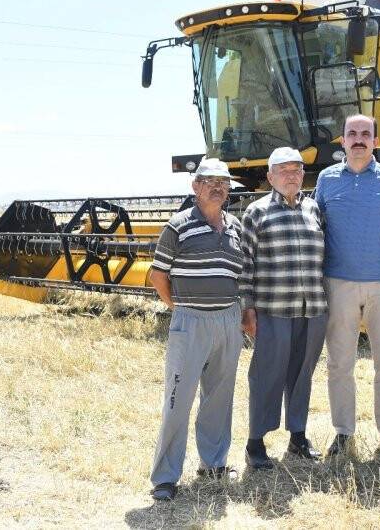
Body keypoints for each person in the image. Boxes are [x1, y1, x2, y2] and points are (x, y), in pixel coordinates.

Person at [314, 114, 380, 456]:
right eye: (352, 133)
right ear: (341, 140)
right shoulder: (326, 180)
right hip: (338, 282)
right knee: (340, 362)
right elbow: (317, 231)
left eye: (365, 134)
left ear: (375, 141)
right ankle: (343, 432)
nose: (358, 139)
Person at [148, 158, 246, 501]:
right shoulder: (178, 227)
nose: (217, 187)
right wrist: (180, 308)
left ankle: (213, 464)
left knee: (219, 398)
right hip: (190, 322)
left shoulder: (235, 227)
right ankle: (165, 476)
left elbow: (240, 276)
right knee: (178, 399)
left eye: (223, 182)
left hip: (228, 321)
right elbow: (158, 276)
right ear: (195, 187)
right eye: (209, 181)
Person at [238, 147, 328, 470]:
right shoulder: (256, 212)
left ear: (303, 175)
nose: (291, 176)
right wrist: (246, 308)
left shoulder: (314, 209)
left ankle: (298, 438)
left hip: (312, 307)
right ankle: (255, 442)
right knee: (266, 375)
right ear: (270, 176)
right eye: (283, 170)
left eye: (296, 170)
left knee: (302, 374)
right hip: (272, 309)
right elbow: (245, 265)